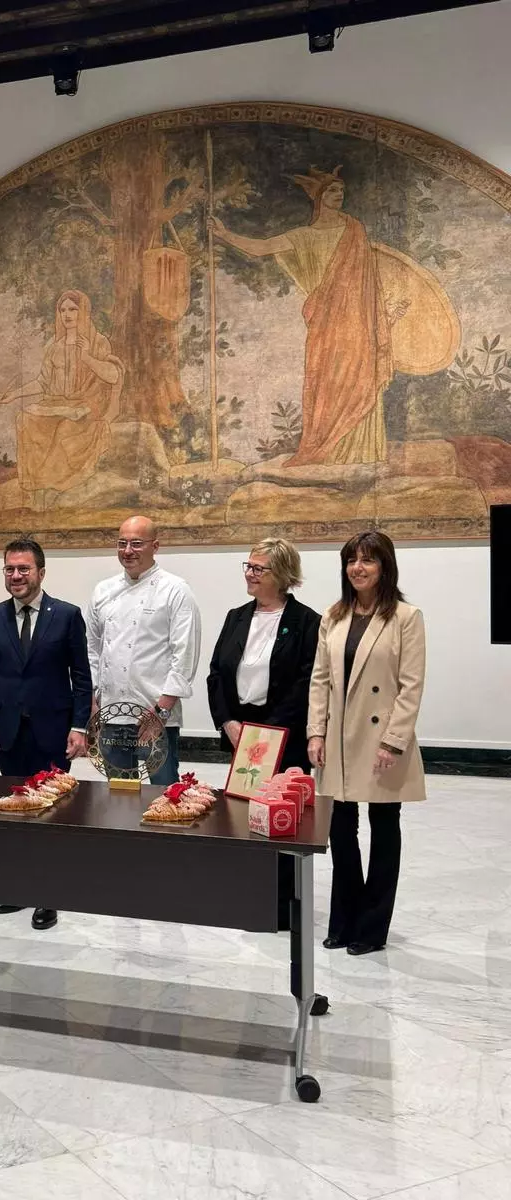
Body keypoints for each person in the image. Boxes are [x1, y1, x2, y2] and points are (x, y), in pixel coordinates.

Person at [211, 166, 410, 467]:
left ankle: (359, 453)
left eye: (341, 190)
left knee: (358, 379)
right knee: (327, 383)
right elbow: (262, 247)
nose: (338, 195)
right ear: (318, 197)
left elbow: (369, 283)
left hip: (357, 322)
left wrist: (383, 314)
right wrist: (225, 234)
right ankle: (325, 449)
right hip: (326, 324)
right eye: (331, 190)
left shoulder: (354, 231)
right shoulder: (304, 236)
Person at [308, 530, 426, 956]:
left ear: (384, 567)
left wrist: (393, 742)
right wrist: (315, 732)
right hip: (338, 739)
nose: (358, 567)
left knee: (384, 826)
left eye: (368, 560)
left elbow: (410, 687)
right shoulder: (333, 616)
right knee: (340, 829)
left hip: (380, 741)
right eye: (351, 560)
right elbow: (320, 680)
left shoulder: (405, 618)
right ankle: (344, 918)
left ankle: (373, 927)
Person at [0, 537, 92, 931]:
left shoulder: (67, 615)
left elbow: (81, 676)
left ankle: (48, 894)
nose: (16, 575)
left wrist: (79, 726)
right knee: (11, 810)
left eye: (23, 568)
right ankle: (16, 886)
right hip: (7, 731)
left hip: (53, 731)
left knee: (50, 813)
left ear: (41, 572)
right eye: (9, 569)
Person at [85, 515, 201, 786]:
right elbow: (91, 648)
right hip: (111, 714)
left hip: (156, 717)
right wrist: (92, 701)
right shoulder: (103, 590)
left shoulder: (176, 590)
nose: (127, 551)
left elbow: (184, 655)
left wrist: (160, 712)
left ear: (155, 546)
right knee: (119, 795)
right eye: (121, 543)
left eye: (137, 543)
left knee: (164, 794)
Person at [0, 289, 125, 510]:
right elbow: (43, 382)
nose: (67, 314)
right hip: (57, 403)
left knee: (66, 428)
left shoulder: (98, 342)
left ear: (83, 311)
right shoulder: (54, 346)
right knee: (24, 419)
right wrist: (14, 394)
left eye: (73, 309)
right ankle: (37, 488)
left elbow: (113, 375)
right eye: (63, 310)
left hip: (86, 406)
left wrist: (86, 357)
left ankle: (59, 488)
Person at [207, 537, 321, 772]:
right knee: (240, 806)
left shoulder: (307, 622)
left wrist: (264, 734)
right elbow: (216, 673)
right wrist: (227, 722)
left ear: (282, 574)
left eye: (258, 569)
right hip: (238, 731)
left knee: (281, 806)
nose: (249, 574)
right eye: (248, 566)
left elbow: (305, 684)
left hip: (285, 736)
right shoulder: (235, 617)